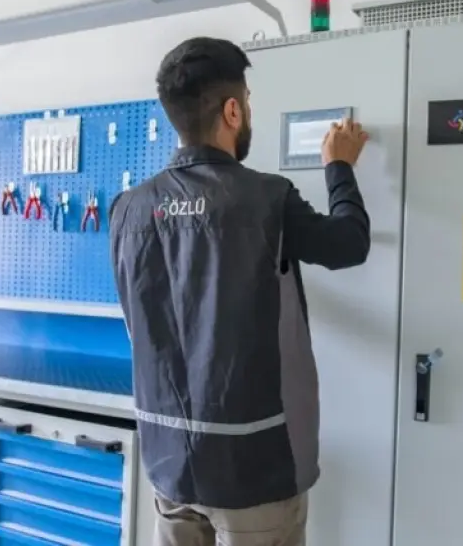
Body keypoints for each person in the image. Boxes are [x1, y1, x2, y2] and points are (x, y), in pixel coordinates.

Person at [108, 36, 370, 546]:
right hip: (254, 471)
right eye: (247, 103)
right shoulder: (267, 198)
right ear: (232, 110)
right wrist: (339, 166)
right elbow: (348, 244)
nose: (248, 113)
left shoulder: (127, 209)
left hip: (169, 463)